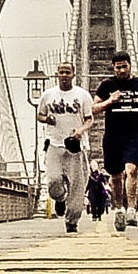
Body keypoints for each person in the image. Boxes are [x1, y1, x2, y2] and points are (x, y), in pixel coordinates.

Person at [92, 50, 138, 230]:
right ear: (113, 67)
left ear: (130, 65)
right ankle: (119, 209)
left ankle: (132, 210)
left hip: (133, 133)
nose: (121, 70)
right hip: (112, 135)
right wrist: (110, 101)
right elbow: (95, 108)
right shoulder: (107, 85)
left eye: (124, 66)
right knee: (116, 175)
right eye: (118, 68)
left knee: (132, 169)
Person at [35, 62, 94, 233]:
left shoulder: (83, 95)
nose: (65, 75)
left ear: (73, 74)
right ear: (57, 74)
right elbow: (40, 114)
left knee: (77, 186)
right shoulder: (48, 95)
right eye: (61, 72)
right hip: (54, 144)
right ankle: (59, 198)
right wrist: (47, 120)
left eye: (68, 72)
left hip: (75, 146)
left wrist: (81, 131)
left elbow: (89, 119)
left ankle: (72, 221)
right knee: (53, 181)